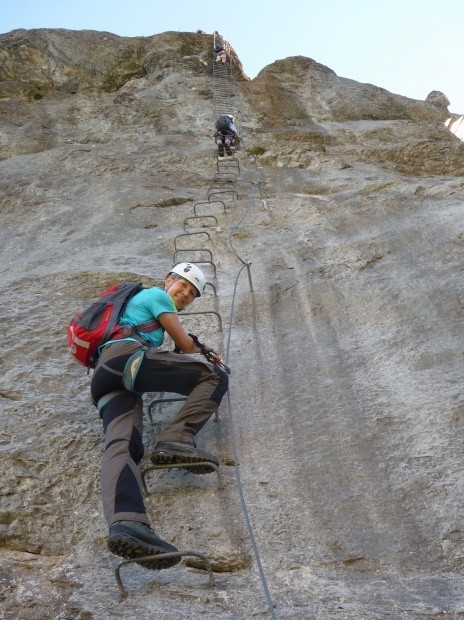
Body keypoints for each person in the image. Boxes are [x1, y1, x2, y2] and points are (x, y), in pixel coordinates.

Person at [90, 262, 229, 569]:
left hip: (105, 377)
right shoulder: (156, 295)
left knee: (123, 445)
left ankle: (127, 523)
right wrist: (204, 351)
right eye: (182, 285)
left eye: (191, 294)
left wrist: (193, 348)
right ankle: (175, 439)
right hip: (127, 357)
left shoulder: (137, 308)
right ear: (168, 280)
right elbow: (182, 344)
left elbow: (176, 352)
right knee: (215, 376)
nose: (184, 294)